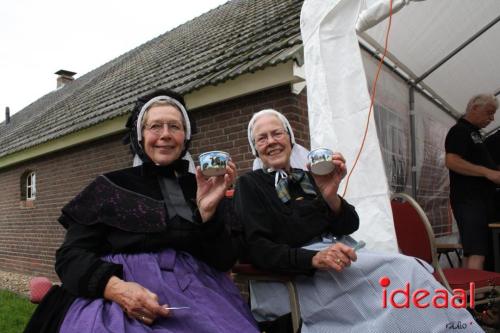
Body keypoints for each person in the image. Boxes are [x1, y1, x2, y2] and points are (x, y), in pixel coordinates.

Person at [24, 89, 259, 333]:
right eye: (155, 126)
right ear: (140, 135)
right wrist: (116, 288)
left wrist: (208, 215)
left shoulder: (204, 186)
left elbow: (223, 260)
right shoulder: (108, 186)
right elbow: (69, 256)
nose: (165, 134)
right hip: (117, 295)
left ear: (185, 136)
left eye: (174, 127)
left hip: (199, 296)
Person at [235, 109, 482, 332]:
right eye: (262, 138)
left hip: (336, 259)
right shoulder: (249, 185)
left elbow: (349, 224)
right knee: (401, 277)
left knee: (408, 273)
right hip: (299, 275)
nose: (271, 142)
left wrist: (330, 197)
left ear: (289, 138)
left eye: (277, 133)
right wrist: (314, 257)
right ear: (255, 148)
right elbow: (259, 248)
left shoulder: (306, 178)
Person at [445, 94, 500, 270]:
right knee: (477, 251)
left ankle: (468, 294)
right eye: (489, 113)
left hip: (479, 201)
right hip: (468, 201)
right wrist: (487, 172)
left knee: (473, 251)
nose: (492, 118)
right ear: (475, 108)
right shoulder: (459, 130)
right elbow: (451, 161)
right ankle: (474, 294)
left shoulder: (474, 133)